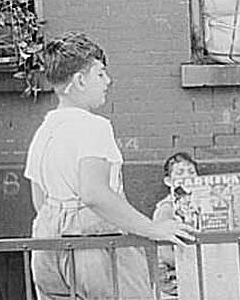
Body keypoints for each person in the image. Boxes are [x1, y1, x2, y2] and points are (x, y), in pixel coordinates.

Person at [24, 32, 194, 299]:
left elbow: (40, 200)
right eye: (100, 74)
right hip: (96, 252)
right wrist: (153, 229)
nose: (108, 81)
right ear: (80, 80)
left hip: (47, 253)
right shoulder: (94, 127)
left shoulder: (45, 131)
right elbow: (94, 194)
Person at [152, 152, 200, 299]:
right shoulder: (166, 208)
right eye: (180, 172)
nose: (187, 176)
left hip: (194, 273)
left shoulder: (199, 205)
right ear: (168, 181)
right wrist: (193, 264)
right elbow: (164, 253)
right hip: (172, 279)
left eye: (191, 172)